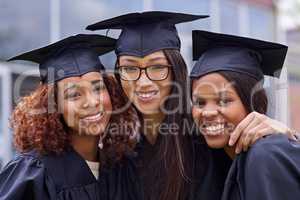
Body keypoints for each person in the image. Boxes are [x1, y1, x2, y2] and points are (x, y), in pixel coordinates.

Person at [86, 11, 298, 200]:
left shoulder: (210, 141)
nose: (143, 82)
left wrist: (286, 140)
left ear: (176, 70)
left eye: (157, 67)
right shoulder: (123, 157)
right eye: (129, 69)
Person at [0, 34, 141, 200]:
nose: (92, 101)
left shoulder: (121, 167)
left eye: (98, 88)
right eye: (74, 95)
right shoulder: (35, 174)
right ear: (53, 106)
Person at [190, 30, 300, 200]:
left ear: (254, 103)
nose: (208, 112)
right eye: (199, 102)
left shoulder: (265, 155)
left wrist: (292, 143)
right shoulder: (212, 163)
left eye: (224, 100)